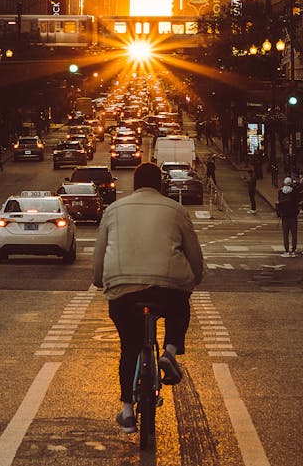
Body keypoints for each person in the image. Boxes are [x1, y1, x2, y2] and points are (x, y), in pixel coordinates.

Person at [92, 163, 204, 434]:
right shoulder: (175, 210)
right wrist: (193, 279)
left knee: (129, 348)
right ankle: (170, 351)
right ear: (161, 185)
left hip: (122, 289)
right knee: (180, 308)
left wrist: (100, 281)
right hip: (167, 288)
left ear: (134, 184)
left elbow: (98, 256)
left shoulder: (113, 210)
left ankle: (128, 413)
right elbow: (194, 256)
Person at [276, 177, 300, 257]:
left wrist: (279, 213)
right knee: (294, 234)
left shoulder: (281, 192)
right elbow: (297, 203)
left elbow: (279, 203)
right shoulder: (294, 191)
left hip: (284, 217)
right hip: (293, 216)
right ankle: (293, 250)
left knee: (285, 235)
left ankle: (286, 250)